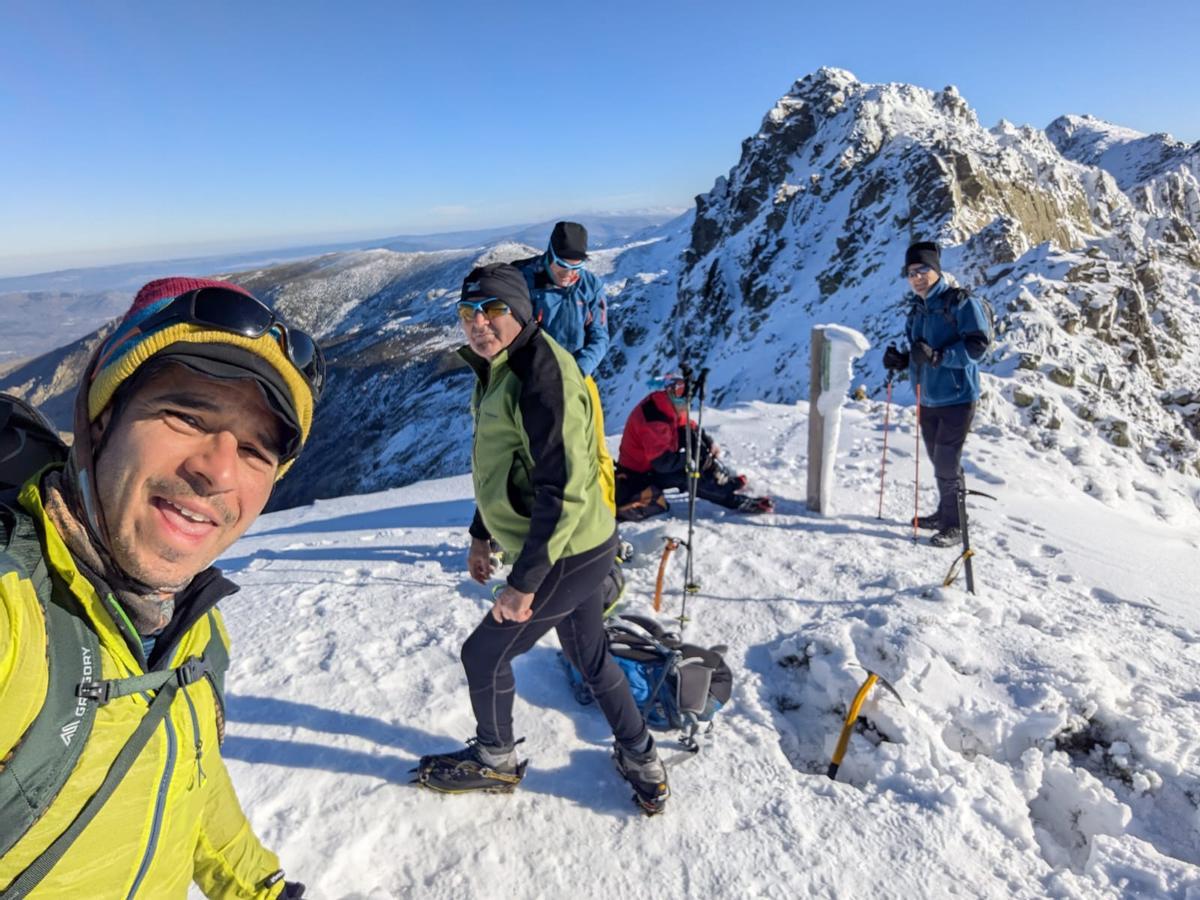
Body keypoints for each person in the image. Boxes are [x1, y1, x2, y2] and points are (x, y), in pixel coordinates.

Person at [0, 277, 319, 898]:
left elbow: (183, 773)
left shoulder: (194, 629)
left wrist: (259, 886)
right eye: (185, 415)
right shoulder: (17, 616)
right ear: (101, 419)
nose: (219, 470)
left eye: (256, 451)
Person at [414, 263, 669, 814]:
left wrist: (525, 584)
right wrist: (482, 533)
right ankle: (643, 759)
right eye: (467, 314)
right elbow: (506, 465)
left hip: (567, 551)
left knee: (483, 655)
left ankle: (496, 759)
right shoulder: (505, 365)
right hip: (585, 546)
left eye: (493, 310)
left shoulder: (540, 376)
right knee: (590, 655)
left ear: (523, 312)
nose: (478, 323)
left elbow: (563, 488)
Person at [883, 241, 990, 548]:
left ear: (936, 270)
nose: (916, 277)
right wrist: (902, 360)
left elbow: (977, 346)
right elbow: (919, 351)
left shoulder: (960, 303)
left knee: (946, 460)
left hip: (958, 397)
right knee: (937, 458)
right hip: (927, 397)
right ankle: (946, 513)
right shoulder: (917, 310)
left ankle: (956, 524)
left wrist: (938, 357)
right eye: (911, 272)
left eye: (922, 270)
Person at [511, 221, 616, 513]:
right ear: (549, 255)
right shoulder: (526, 280)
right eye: (561, 265)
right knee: (533, 453)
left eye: (577, 266)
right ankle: (529, 523)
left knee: (596, 452)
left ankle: (605, 522)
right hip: (535, 379)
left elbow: (600, 336)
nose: (569, 274)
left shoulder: (590, 286)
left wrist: (578, 371)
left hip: (579, 378)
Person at [614, 376, 773, 521]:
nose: (686, 401)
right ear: (670, 391)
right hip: (640, 475)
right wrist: (690, 459)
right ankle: (735, 501)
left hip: (658, 463)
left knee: (694, 440)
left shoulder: (669, 404)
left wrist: (707, 443)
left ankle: (723, 482)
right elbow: (663, 463)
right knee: (687, 476)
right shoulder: (653, 419)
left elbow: (687, 425)